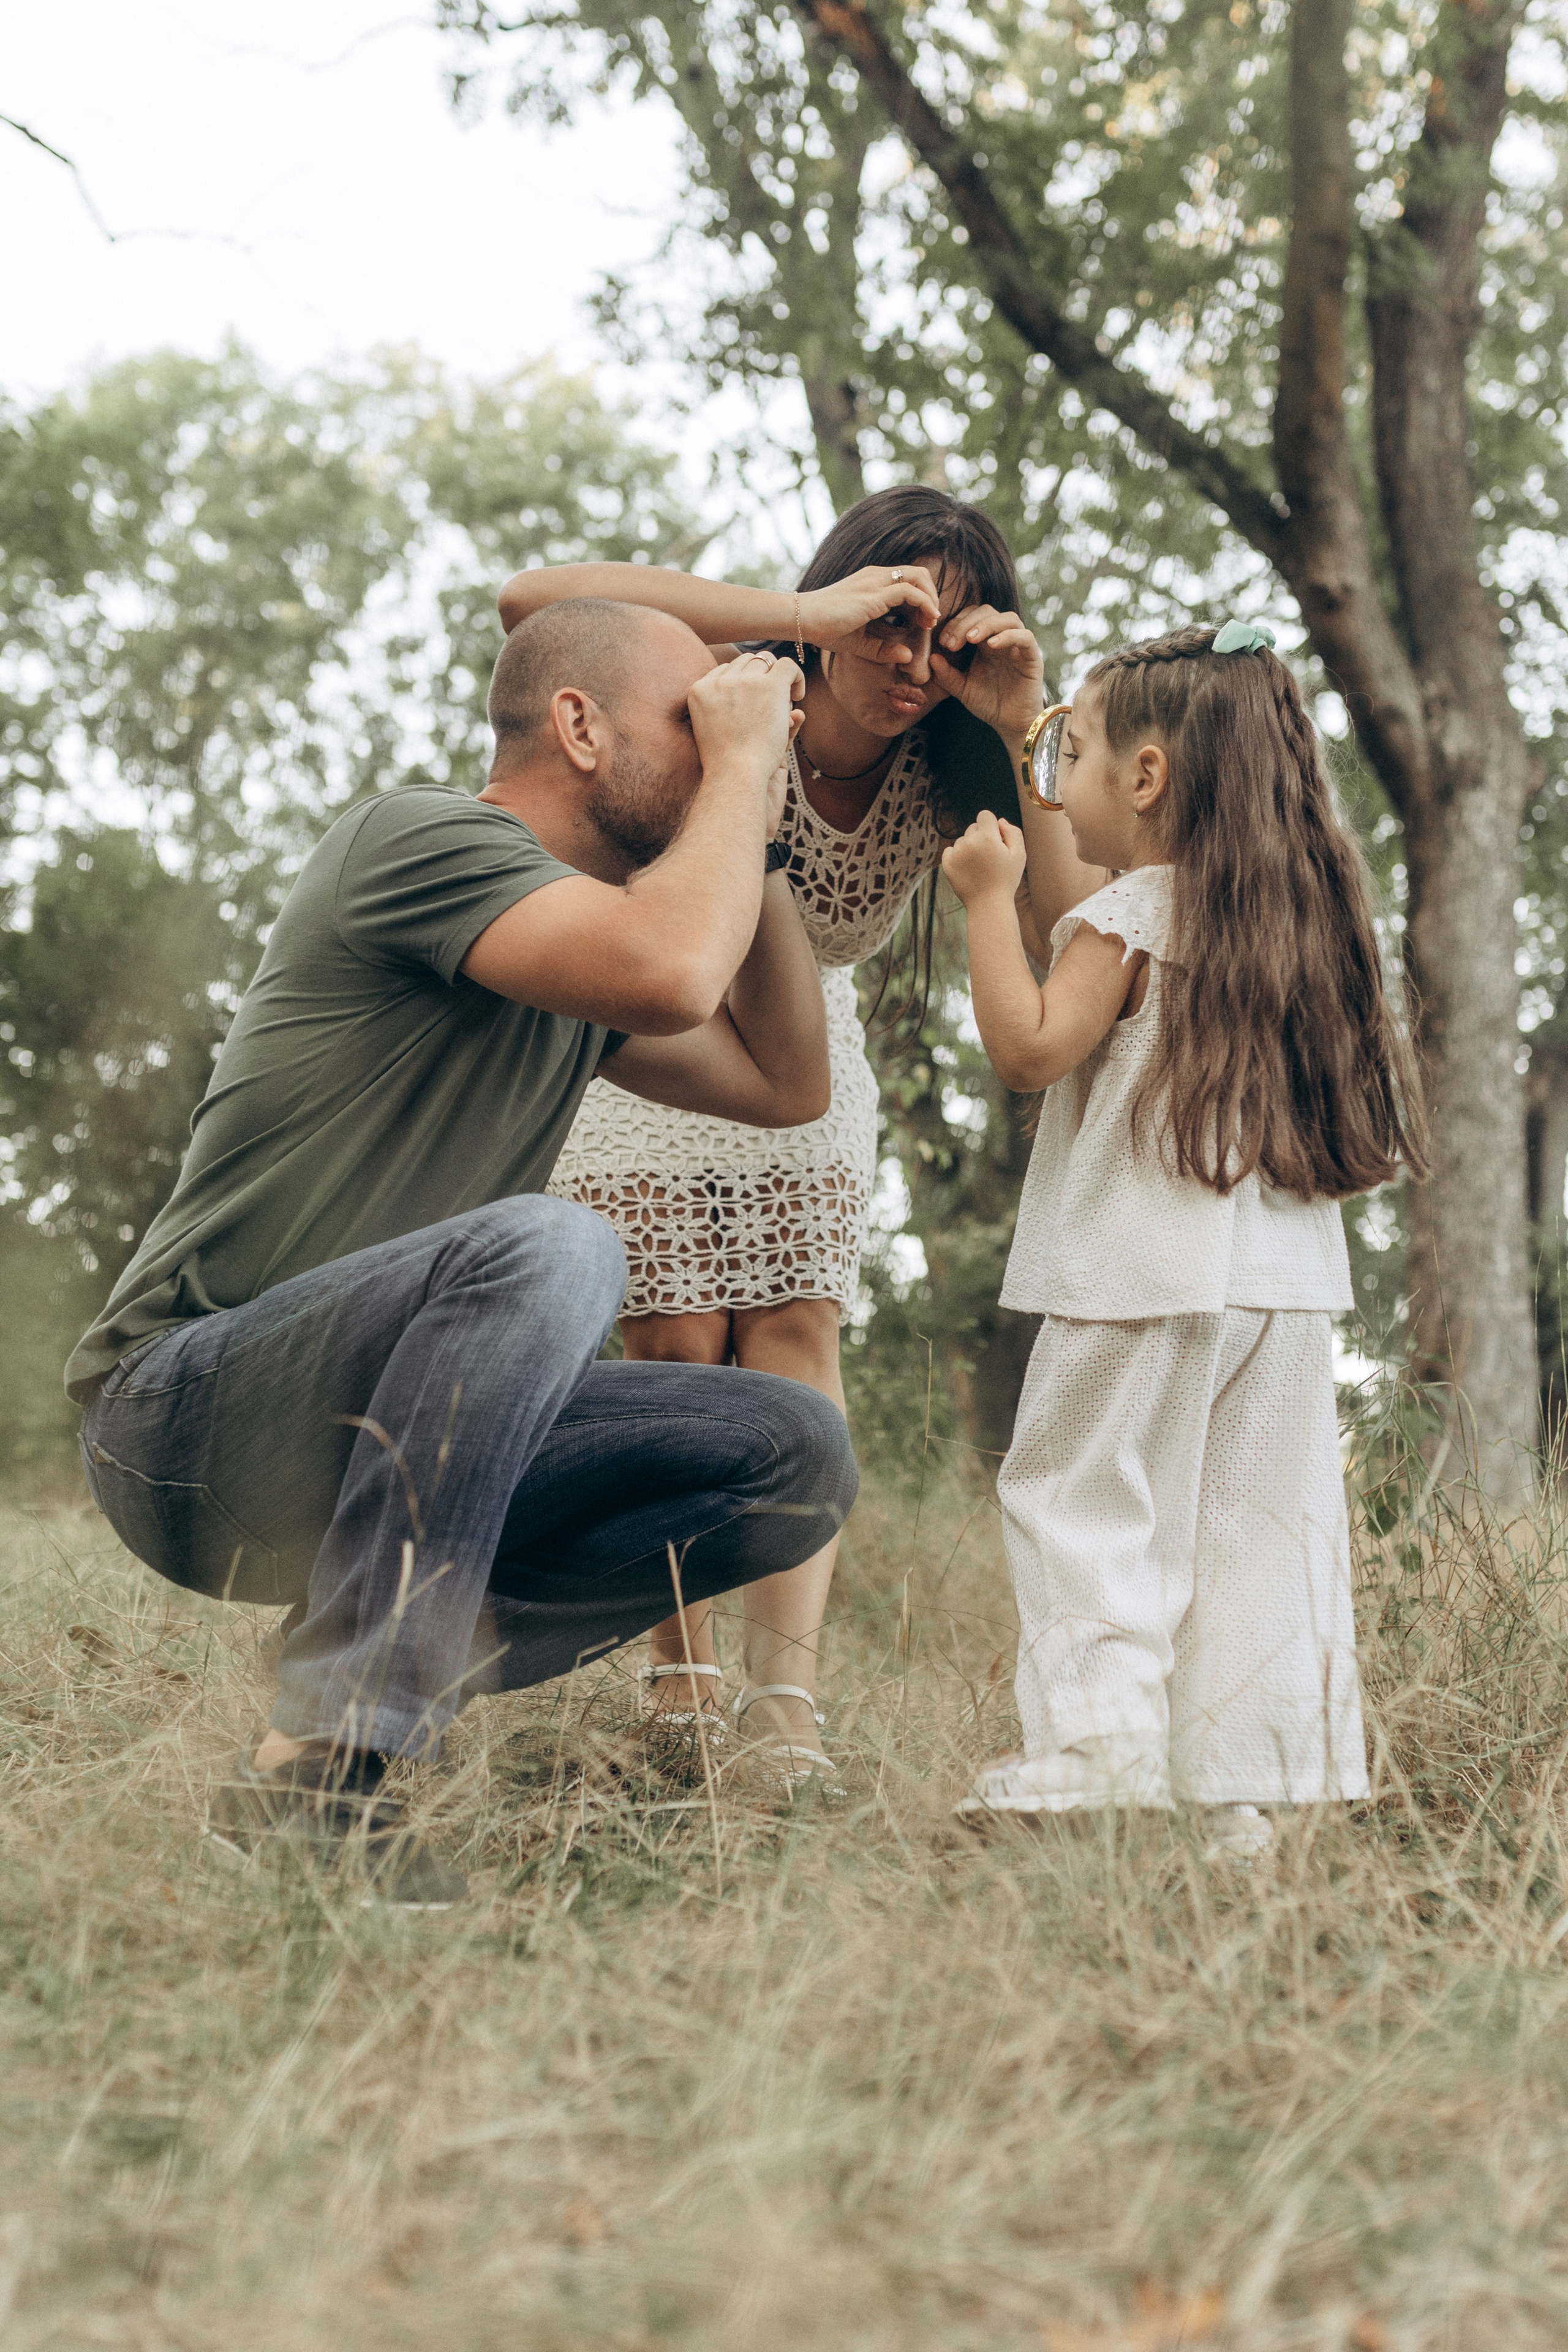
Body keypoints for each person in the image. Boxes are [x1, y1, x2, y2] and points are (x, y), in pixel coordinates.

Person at [66, 600, 860, 1907]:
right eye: (690, 714)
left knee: (789, 1452)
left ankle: (363, 1633)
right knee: (556, 1247)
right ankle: (311, 1776)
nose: (723, 731)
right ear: (577, 726)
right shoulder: (417, 840)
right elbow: (670, 968)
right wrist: (743, 766)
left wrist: (757, 814)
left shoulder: (568, 977)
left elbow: (785, 1084)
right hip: (182, 1424)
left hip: (380, 1443)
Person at [498, 489, 1102, 1785]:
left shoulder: (948, 767)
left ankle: (786, 1704)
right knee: (670, 1342)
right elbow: (530, 603)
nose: (905, 662)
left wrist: (1022, 717)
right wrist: (795, 616)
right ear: (841, 601)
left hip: (803, 1057)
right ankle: (680, 1684)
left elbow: (1070, 930)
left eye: (939, 642)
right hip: (645, 1041)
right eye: (889, 619)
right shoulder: (720, 687)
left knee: (791, 1338)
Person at [940, 621, 1426, 1855]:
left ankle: (1098, 1750)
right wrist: (1022, 733)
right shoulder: (1298, 925)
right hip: (1280, 1291)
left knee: (1080, 1497)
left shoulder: (1134, 916)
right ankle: (1241, 1789)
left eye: (1077, 753)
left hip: (1131, 1269)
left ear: (1146, 779)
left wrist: (988, 903)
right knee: (1256, 1534)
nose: (1059, 779)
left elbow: (1030, 1047)